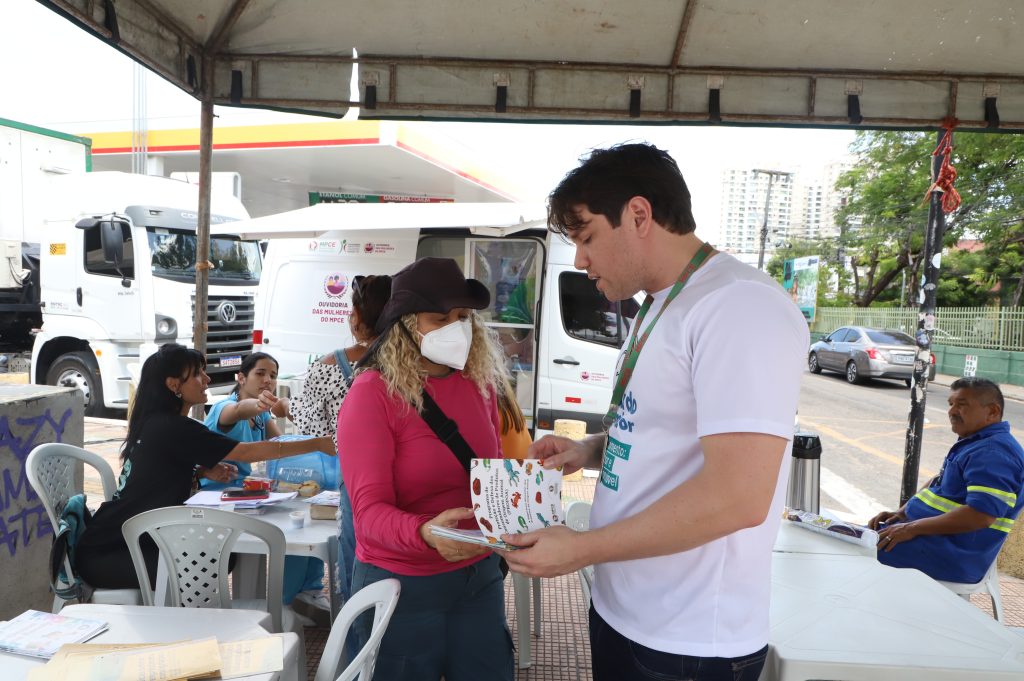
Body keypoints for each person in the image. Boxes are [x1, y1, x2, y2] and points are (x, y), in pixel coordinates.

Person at [499, 143, 808, 681]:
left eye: (587, 236)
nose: (580, 260)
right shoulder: (661, 303)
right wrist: (589, 450)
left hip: (685, 640)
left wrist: (582, 550)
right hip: (628, 609)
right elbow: (659, 429)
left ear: (638, 215)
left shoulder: (738, 306)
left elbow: (738, 497)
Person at [337, 257, 514, 681]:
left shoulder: (479, 384)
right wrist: (424, 533)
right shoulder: (372, 394)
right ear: (406, 325)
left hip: (479, 575)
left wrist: (527, 488)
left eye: (464, 317)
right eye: (442, 318)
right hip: (402, 587)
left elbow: (488, 474)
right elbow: (369, 516)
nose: (458, 327)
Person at [75, 343, 335, 590]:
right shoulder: (172, 427)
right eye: (198, 374)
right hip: (113, 552)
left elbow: (154, 476)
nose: (207, 380)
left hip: (123, 541)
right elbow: (245, 452)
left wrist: (199, 472)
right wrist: (317, 444)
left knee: (224, 555)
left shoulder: (157, 422)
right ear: (173, 384)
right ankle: (187, 627)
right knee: (217, 559)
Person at [289, 273, 391, 627]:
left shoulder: (329, 366)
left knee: (358, 570)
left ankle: (361, 651)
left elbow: (308, 428)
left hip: (356, 482)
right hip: (409, 482)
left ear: (356, 318)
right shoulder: (422, 365)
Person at [201, 351, 328, 623]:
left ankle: (306, 591)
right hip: (217, 500)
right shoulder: (225, 407)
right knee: (292, 527)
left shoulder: (261, 417)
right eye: (260, 373)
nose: (267, 380)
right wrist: (259, 405)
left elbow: (284, 447)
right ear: (241, 377)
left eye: (272, 375)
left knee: (304, 514)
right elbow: (240, 410)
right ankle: (287, 601)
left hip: (249, 497)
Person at [869, 377, 1024, 583]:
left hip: (951, 554)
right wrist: (902, 513)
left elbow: (981, 516)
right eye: (951, 404)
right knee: (853, 539)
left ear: (992, 412)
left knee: (855, 551)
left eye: (962, 405)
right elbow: (939, 482)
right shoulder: (976, 442)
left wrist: (910, 528)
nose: (951, 412)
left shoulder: (994, 452)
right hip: (932, 540)